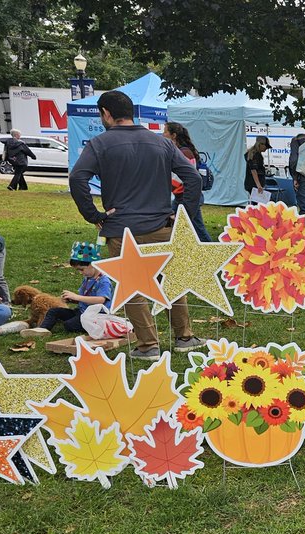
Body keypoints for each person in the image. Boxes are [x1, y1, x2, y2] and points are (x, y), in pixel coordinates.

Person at [68, 90, 204, 360]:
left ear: (106, 113)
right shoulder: (162, 143)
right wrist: (182, 213)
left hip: (121, 230)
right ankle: (184, 337)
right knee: (173, 282)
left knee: (133, 287)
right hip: (161, 226)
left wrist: (94, 215)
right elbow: (193, 178)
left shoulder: (99, 143)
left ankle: (148, 345)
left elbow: (77, 179)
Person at [21, 242, 113, 337]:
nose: (81, 273)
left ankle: (93, 327)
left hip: (94, 316)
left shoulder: (103, 281)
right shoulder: (87, 278)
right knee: (53, 311)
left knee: (69, 325)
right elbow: (85, 299)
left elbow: (101, 300)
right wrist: (73, 300)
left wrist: (77, 297)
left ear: (93, 264)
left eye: (82, 269)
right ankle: (43, 329)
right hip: (81, 311)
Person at [163, 122, 211, 242]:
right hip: (183, 197)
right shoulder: (182, 151)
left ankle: (212, 251)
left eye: (165, 132)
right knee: (186, 228)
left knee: (198, 230)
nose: (162, 134)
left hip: (187, 197)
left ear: (173, 135)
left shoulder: (183, 153)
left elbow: (183, 178)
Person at [244, 135, 271, 202]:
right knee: (257, 204)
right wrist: (258, 185)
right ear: (260, 144)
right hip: (254, 185)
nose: (266, 148)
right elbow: (253, 170)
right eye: (266, 146)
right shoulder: (254, 155)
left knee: (256, 204)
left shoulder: (253, 154)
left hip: (252, 184)